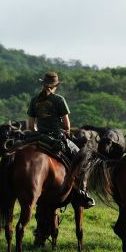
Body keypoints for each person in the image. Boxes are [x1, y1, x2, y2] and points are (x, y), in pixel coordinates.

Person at [27, 71, 95, 208]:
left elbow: (30, 126)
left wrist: (39, 133)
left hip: (38, 137)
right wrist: (65, 132)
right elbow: (66, 125)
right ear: (55, 85)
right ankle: (82, 192)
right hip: (56, 137)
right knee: (81, 159)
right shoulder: (59, 99)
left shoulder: (34, 100)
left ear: (43, 84)